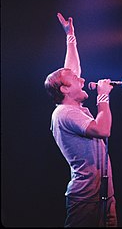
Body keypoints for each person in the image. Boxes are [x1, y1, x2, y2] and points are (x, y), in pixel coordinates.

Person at [44, 12, 117, 227]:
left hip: (104, 196)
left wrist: (70, 36)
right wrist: (103, 96)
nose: (82, 78)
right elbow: (103, 129)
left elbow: (72, 69)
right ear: (65, 89)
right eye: (76, 80)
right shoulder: (65, 113)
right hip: (86, 200)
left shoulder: (71, 106)